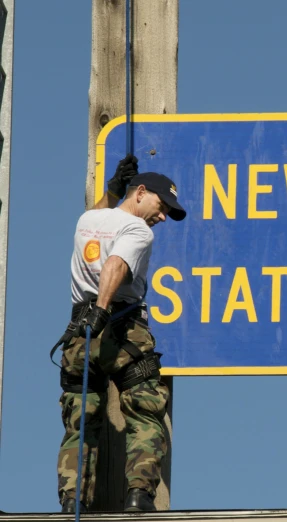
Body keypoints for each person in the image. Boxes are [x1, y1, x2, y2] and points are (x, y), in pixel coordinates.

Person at [53, 155, 186, 513]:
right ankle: (139, 496)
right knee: (145, 411)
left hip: (79, 337)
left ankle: (72, 499)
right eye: (161, 206)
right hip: (121, 329)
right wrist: (102, 309)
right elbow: (116, 264)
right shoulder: (138, 231)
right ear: (140, 192)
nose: (161, 217)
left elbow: (101, 216)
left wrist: (112, 189)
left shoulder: (90, 219)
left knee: (81, 418)